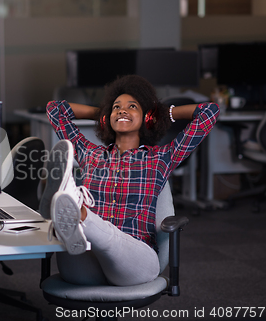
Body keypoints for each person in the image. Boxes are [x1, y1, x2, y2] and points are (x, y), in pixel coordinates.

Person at [40, 74, 219, 287]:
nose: (122, 110)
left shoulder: (161, 158)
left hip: (135, 263)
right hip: (88, 262)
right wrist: (102, 114)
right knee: (74, 248)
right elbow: (55, 109)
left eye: (132, 107)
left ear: (147, 118)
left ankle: (79, 213)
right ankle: (72, 214)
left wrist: (163, 113)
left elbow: (210, 112)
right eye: (116, 107)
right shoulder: (90, 154)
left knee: (107, 237)